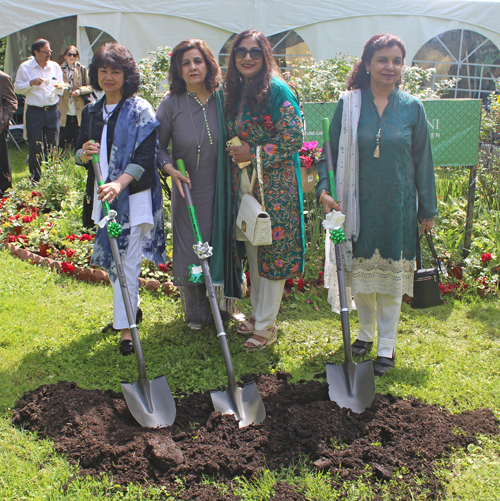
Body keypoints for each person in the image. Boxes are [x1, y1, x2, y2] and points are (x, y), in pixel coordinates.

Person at [315, 33, 437, 375]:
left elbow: (423, 161)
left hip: (397, 207)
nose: (390, 66)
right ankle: (366, 333)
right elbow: (328, 153)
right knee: (361, 276)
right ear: (367, 63)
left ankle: (386, 345)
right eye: (382, 59)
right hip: (356, 206)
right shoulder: (349, 104)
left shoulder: (413, 108)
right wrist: (324, 191)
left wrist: (427, 209)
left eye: (396, 60)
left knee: (391, 281)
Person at [75, 43, 166, 356]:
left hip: (135, 197)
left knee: (127, 261)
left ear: (127, 75)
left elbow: (146, 154)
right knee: (117, 259)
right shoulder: (90, 111)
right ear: (95, 73)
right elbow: (77, 153)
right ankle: (129, 312)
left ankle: (126, 329)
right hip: (105, 197)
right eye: (103, 70)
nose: (109, 76)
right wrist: (82, 155)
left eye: (116, 71)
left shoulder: (141, 109)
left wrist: (120, 183)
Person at [225, 29, 305, 350]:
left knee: (271, 254)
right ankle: (259, 317)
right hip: (247, 185)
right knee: (255, 251)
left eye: (255, 52)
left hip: (275, 189)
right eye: (241, 52)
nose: (247, 57)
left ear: (266, 55)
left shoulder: (277, 90)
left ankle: (267, 326)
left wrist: (253, 152)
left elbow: (293, 137)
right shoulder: (240, 89)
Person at [156, 39, 242, 330]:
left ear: (208, 65)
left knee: (221, 245)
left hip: (223, 191)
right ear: (178, 70)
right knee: (193, 248)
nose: (193, 67)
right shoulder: (170, 105)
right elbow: (157, 146)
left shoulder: (225, 99)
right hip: (188, 190)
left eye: (198, 61)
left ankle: (224, 307)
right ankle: (196, 313)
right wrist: (169, 169)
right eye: (186, 63)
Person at [14, 39, 63, 181]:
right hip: (35, 111)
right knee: (35, 144)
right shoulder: (25, 67)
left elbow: (59, 83)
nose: (49, 54)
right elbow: (17, 88)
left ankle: (52, 175)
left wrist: (60, 88)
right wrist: (31, 83)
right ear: (36, 52)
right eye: (46, 51)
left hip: (53, 110)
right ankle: (36, 176)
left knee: (53, 144)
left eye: (50, 51)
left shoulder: (54, 66)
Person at [58, 45, 94, 151]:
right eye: (69, 54)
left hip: (78, 104)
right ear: (65, 56)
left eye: (75, 54)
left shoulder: (82, 69)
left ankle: (78, 153)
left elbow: (90, 86)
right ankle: (61, 154)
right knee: (63, 131)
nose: (72, 57)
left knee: (78, 131)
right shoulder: (58, 69)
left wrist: (79, 91)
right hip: (63, 104)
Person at [0, 70, 17, 196]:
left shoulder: (3, 78)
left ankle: (4, 194)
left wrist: (3, 121)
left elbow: (12, 102)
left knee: (2, 161)